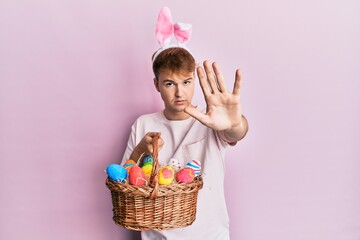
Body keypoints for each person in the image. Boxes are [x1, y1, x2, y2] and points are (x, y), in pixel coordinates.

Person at [121, 46, 248, 240]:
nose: (180, 92)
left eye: (186, 82)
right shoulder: (143, 124)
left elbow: (235, 134)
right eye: (170, 84)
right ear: (157, 84)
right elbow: (123, 182)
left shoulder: (210, 120)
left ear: (194, 81)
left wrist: (235, 123)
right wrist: (139, 150)